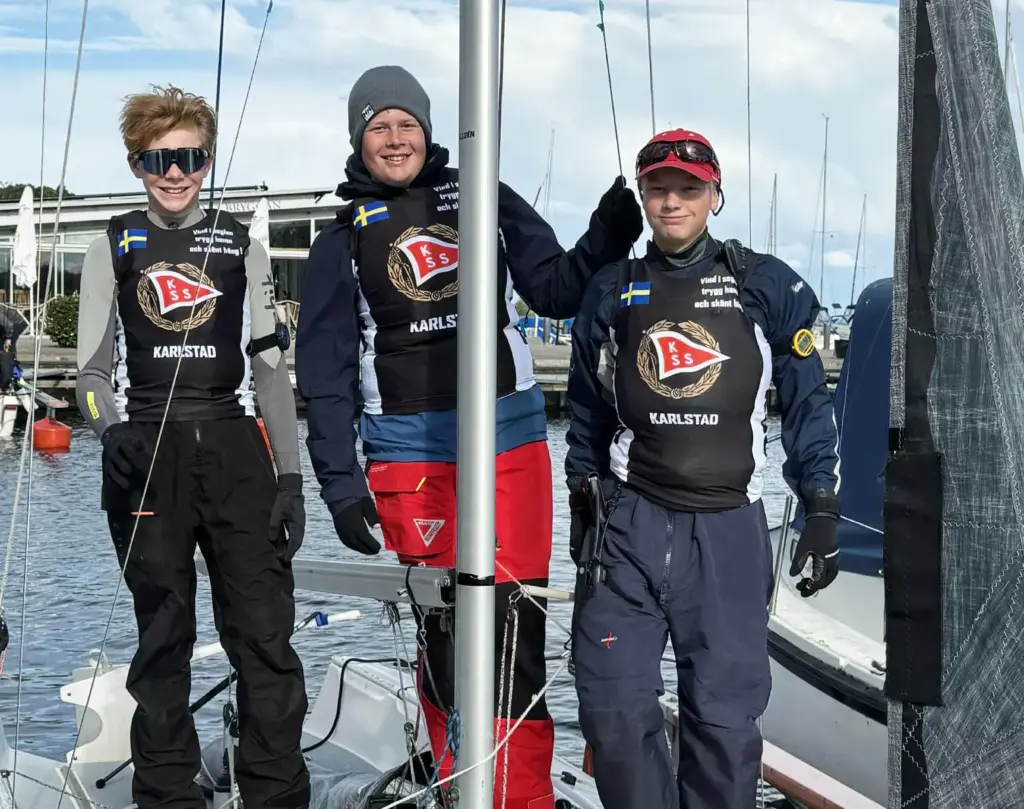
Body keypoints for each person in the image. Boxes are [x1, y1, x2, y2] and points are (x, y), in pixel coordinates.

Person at [295, 65, 642, 809]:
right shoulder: (340, 240)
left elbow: (554, 287)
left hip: (507, 442)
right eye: (379, 126)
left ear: (428, 131)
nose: (395, 138)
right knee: (448, 632)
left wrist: (605, 237)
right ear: (358, 138)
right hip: (408, 456)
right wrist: (340, 486)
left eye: (407, 124)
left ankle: (523, 797)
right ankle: (463, 787)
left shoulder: (483, 194)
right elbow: (324, 376)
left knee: (514, 628)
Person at [564, 129, 841, 809]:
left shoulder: (765, 284)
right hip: (630, 523)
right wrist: (579, 494)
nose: (672, 201)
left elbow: (808, 401)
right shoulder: (612, 288)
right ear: (642, 195)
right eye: (657, 188)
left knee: (723, 724)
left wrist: (821, 505)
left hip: (727, 531)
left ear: (715, 195)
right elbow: (586, 408)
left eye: (688, 188)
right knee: (611, 707)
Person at [75, 85, 309, 809]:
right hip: (146, 454)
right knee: (163, 640)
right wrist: (109, 429)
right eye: (158, 160)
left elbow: (270, 369)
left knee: (264, 636)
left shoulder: (243, 247)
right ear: (136, 164)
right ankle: (167, 794)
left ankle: (275, 793)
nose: (174, 174)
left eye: (190, 158)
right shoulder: (111, 246)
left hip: (235, 450)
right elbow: (89, 376)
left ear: (207, 161)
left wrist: (291, 477)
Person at [0, 305, 27, 391]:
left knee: (8, 349)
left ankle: (14, 375)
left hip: (16, 324)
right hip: (6, 325)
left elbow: (9, 325)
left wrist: (8, 338)